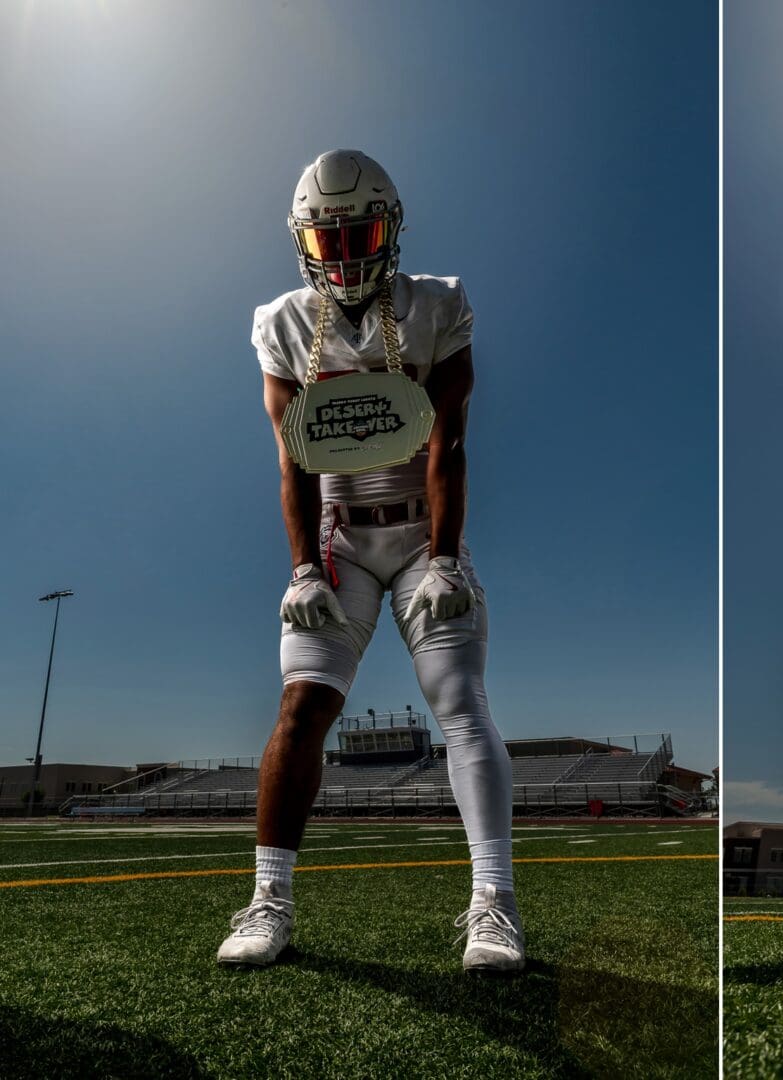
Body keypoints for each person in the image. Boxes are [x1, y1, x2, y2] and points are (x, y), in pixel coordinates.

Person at [216, 149, 522, 973]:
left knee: (459, 700)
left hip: (423, 530)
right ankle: (268, 897)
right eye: (330, 240)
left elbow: (447, 445)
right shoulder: (280, 323)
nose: (346, 257)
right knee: (301, 707)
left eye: (361, 236)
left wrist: (449, 559)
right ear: (303, 243)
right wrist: (302, 569)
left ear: (391, 232)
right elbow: (295, 463)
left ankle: (493, 902)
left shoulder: (437, 305)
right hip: (338, 535)